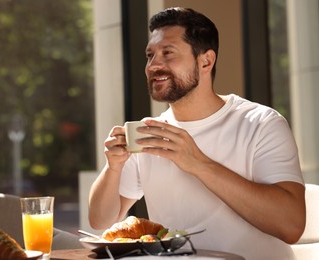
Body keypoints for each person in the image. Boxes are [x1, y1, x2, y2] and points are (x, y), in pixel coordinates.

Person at [88, 7, 306, 260]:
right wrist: (113, 167)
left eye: (167, 53)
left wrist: (199, 164)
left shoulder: (261, 123)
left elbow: (291, 226)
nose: (153, 65)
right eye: (150, 55)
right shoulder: (148, 134)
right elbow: (99, 219)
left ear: (206, 61)